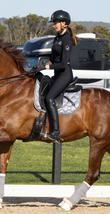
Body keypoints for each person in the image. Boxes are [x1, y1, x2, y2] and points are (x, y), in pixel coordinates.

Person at [33, 10, 79, 143]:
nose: (54, 26)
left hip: (65, 75)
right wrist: (40, 66)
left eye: (56, 23)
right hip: (57, 74)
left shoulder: (67, 39)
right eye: (53, 23)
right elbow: (52, 60)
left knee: (49, 97)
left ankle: (56, 133)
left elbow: (63, 64)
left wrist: (47, 67)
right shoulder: (57, 38)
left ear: (64, 23)